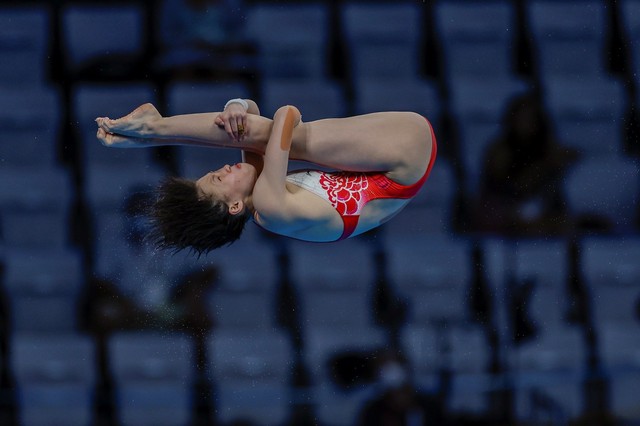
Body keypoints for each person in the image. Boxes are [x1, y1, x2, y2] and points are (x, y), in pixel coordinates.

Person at [95, 98, 437, 254]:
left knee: (255, 130)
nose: (224, 168)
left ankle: (149, 132)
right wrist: (241, 115)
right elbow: (287, 115)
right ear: (232, 206)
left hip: (397, 166)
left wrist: (237, 107)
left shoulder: (260, 201)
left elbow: (252, 119)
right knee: (296, 139)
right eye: (218, 178)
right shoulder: (271, 206)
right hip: (403, 160)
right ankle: (152, 128)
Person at [471, 93, 578, 236]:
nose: (525, 124)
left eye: (530, 119)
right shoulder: (498, 151)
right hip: (506, 209)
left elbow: (569, 159)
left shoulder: (549, 149)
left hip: (541, 209)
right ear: (511, 120)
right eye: (521, 119)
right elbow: (502, 187)